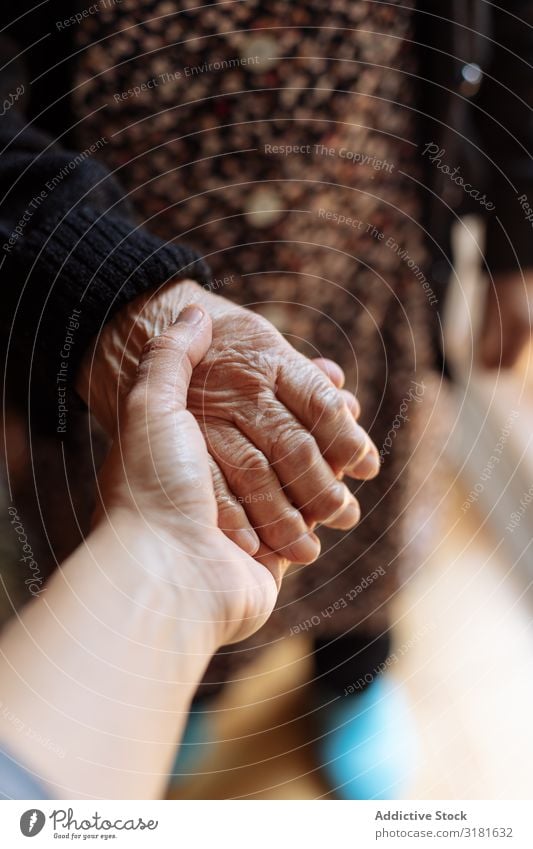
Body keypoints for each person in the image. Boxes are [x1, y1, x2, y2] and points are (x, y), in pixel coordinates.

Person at [1, 1, 532, 800]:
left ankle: (351, 675)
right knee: (174, 526)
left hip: (365, 277)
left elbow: (512, 39)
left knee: (366, 509)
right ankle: (191, 689)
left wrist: (514, 247)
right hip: (115, 320)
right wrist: (71, 301)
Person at [0, 305, 371, 799]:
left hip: (371, 313)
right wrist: (176, 557)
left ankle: (353, 682)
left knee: (363, 562)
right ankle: (191, 699)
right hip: (88, 385)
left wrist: (510, 255)